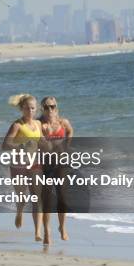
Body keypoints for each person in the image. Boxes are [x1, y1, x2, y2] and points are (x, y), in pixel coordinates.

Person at [2, 93, 49, 243]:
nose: (30, 111)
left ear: (36, 109)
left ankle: (37, 232)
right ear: (22, 109)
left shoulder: (38, 124)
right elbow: (5, 145)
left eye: (33, 108)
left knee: (37, 198)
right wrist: (21, 145)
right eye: (27, 108)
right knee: (22, 198)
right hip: (18, 166)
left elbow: (41, 141)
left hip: (35, 165)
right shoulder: (17, 125)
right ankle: (20, 211)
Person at [40, 96, 74, 243]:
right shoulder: (39, 124)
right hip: (45, 165)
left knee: (63, 199)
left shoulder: (63, 122)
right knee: (46, 200)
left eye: (52, 106)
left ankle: (62, 227)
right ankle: (47, 232)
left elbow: (71, 131)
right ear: (42, 108)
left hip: (61, 164)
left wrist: (67, 145)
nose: (50, 109)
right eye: (47, 107)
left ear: (56, 107)